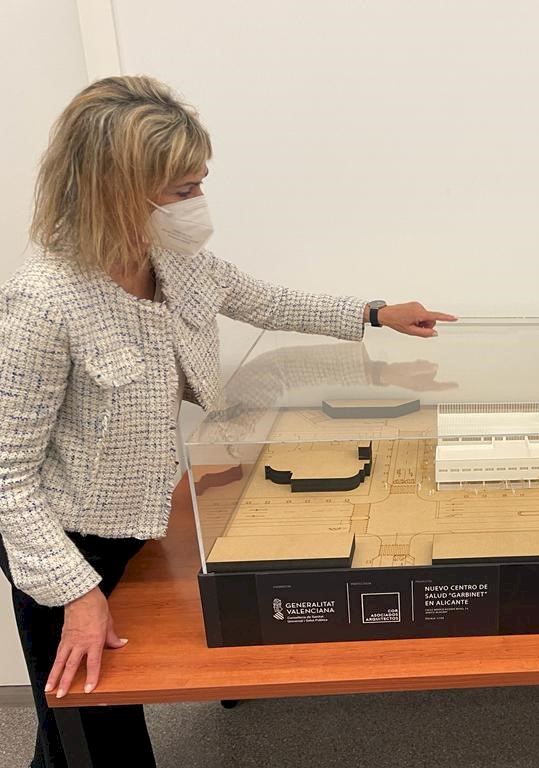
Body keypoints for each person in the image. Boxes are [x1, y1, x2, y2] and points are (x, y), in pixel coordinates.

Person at [0, 75, 456, 768]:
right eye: (183, 189)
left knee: (79, 723)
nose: (198, 203)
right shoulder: (42, 301)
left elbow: (265, 300)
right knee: (90, 724)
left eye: (200, 184)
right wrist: (76, 591)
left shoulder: (169, 260)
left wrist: (373, 312)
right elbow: (7, 480)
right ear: (117, 191)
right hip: (61, 538)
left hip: (137, 519)